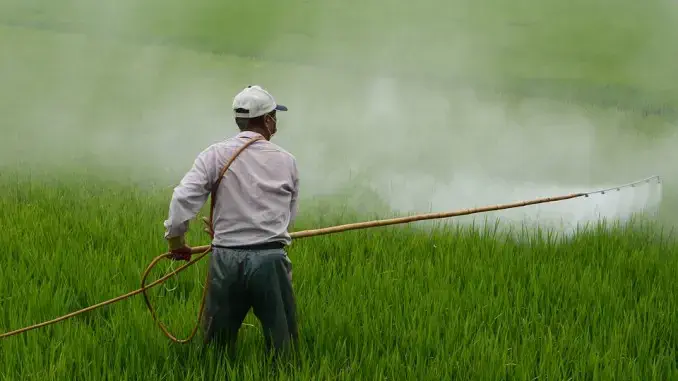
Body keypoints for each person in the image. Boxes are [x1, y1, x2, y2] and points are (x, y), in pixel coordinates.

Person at [162, 85, 300, 356]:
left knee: (217, 348)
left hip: (226, 259)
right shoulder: (287, 161)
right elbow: (287, 218)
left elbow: (182, 199)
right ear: (268, 120)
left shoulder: (214, 154)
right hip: (270, 259)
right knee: (283, 346)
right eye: (275, 116)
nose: (276, 122)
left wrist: (176, 242)